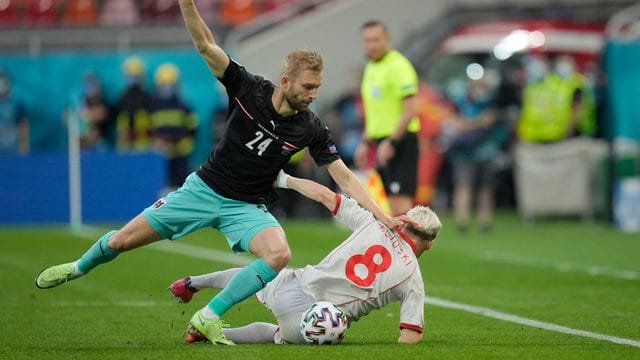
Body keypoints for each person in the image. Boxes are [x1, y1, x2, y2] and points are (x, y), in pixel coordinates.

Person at [35, 0, 405, 347]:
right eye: (308, 87)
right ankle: (78, 268)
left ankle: (208, 316)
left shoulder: (311, 128)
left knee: (278, 255)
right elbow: (207, 46)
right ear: (286, 81)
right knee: (120, 242)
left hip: (246, 206)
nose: (313, 94)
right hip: (202, 190)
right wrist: (186, 4)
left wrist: (383, 216)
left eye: (317, 88)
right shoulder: (248, 89)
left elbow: (343, 177)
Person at [169, 170, 442, 345]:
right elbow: (410, 334)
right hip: (317, 320)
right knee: (279, 334)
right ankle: (215, 334)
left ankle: (193, 283)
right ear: (428, 245)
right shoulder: (412, 278)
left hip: (295, 285)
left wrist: (283, 179)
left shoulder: (374, 221)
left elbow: (325, 195)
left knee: (257, 275)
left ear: (405, 222)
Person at [355, 20, 421, 216]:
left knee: (401, 204)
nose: (372, 45)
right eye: (368, 41)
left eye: (376, 40)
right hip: (380, 141)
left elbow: (410, 109)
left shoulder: (398, 65)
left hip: (401, 141)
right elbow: (374, 112)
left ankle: (409, 246)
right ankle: (399, 247)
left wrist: (392, 142)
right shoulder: (370, 68)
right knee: (390, 206)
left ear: (388, 39)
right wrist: (365, 142)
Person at [445, 76, 506, 233]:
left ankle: (485, 222)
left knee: (486, 188)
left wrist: (470, 123)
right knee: (463, 186)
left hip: (486, 152)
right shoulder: (459, 102)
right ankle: (462, 221)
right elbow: (458, 124)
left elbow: (490, 121)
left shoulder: (490, 103)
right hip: (463, 153)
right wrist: (478, 122)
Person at [149, 62, 197, 190]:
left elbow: (193, 129)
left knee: (182, 188)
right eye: (163, 85)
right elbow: (149, 130)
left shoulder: (184, 106)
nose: (166, 88)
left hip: (181, 156)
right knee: (163, 190)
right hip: (161, 156)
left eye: (170, 85)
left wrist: (179, 139)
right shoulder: (153, 107)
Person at [114, 56, 152, 153]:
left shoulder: (148, 99)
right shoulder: (121, 100)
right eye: (130, 76)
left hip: (144, 149)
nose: (133, 80)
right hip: (124, 149)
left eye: (136, 76)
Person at [0, 68, 29, 155]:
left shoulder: (16, 103)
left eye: (4, 80)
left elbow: (23, 126)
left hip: (13, 148)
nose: (2, 84)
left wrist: (24, 148)